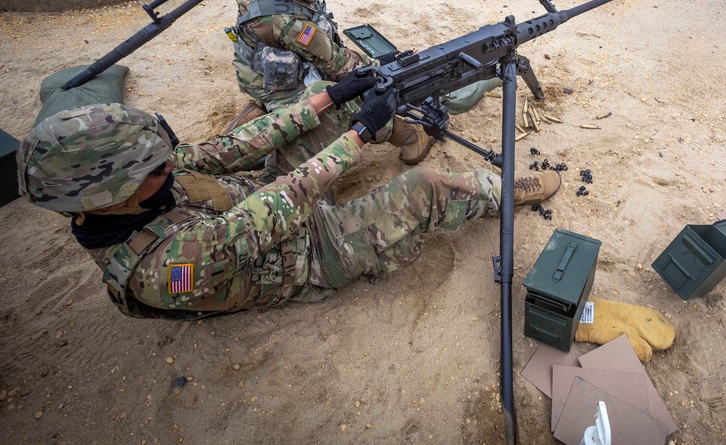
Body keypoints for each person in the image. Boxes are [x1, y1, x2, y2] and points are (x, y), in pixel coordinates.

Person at [16, 78, 560, 319]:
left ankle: (400, 132)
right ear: (115, 196)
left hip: (251, 199)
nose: (168, 165)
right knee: (428, 188)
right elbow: (276, 208)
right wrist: (357, 138)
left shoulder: (134, 187)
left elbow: (233, 148)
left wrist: (329, 98)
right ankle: (500, 191)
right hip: (309, 255)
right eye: (156, 168)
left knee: (302, 116)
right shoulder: (163, 272)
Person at [227, 0, 498, 165]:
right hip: (281, 86)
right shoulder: (290, 25)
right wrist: (384, 64)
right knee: (356, 103)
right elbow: (340, 65)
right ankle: (410, 135)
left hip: (263, 77)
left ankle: (263, 112)